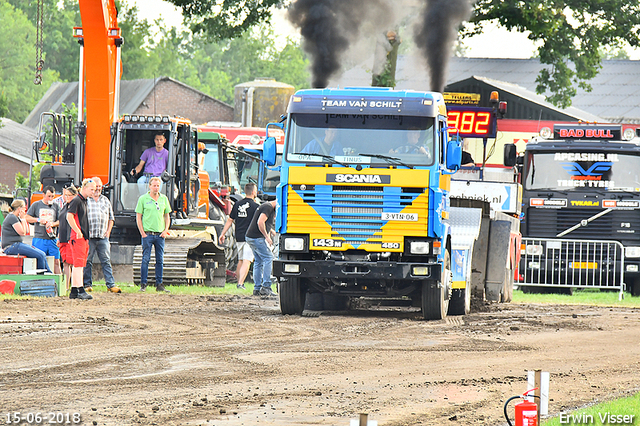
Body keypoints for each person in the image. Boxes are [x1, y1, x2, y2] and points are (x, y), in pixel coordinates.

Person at [83, 177, 121, 293]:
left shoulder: (105, 200)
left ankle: (110, 284)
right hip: (89, 237)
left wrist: (108, 232)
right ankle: (87, 284)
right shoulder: (86, 200)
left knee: (106, 261)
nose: (98, 189)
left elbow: (111, 218)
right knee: (87, 261)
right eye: (96, 187)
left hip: (102, 237)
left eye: (100, 186)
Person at [219, 182, 259, 290]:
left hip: (239, 236)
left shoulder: (237, 204)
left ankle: (239, 283)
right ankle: (240, 284)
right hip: (250, 237)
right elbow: (259, 223)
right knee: (247, 260)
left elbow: (230, 220)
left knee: (241, 260)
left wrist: (222, 234)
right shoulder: (256, 207)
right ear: (254, 192)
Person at [135, 176, 171, 293]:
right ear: (150, 186)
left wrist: (166, 230)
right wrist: (142, 233)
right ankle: (143, 284)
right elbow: (138, 216)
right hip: (148, 234)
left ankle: (159, 283)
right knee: (145, 259)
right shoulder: (143, 199)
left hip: (160, 234)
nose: (156, 188)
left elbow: (167, 215)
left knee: (160, 259)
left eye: (158, 186)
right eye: (154, 185)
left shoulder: (164, 199)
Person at [1, 199, 52, 273]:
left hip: (17, 245)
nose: (25, 210)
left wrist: (23, 219)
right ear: (19, 209)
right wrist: (23, 220)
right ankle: (43, 276)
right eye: (24, 208)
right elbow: (22, 232)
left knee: (42, 254)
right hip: (12, 246)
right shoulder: (12, 217)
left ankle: (49, 274)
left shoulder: (16, 218)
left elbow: (27, 230)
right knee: (40, 255)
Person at [67, 178, 96, 300]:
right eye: (91, 189)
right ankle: (80, 289)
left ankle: (74, 290)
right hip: (78, 236)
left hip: (82, 236)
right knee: (79, 264)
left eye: (94, 190)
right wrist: (78, 231)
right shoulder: (77, 200)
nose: (93, 192)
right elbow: (69, 216)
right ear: (84, 188)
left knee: (79, 264)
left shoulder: (83, 201)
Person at [25, 185, 62, 274]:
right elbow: (27, 217)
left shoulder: (56, 206)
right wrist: (38, 220)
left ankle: (59, 281)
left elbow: (61, 221)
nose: (50, 198)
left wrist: (52, 224)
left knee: (56, 261)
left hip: (52, 238)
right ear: (43, 195)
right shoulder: (36, 205)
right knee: (39, 260)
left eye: (52, 196)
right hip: (39, 238)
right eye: (48, 196)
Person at [245, 200, 277, 297]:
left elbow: (262, 222)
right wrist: (266, 237)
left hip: (250, 236)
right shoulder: (268, 207)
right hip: (256, 238)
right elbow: (260, 222)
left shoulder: (265, 206)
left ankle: (257, 288)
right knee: (268, 258)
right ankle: (266, 287)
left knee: (258, 261)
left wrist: (270, 230)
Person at [58, 185, 78, 292]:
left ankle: (75, 285)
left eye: (69, 195)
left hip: (71, 238)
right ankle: (66, 286)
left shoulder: (76, 207)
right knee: (65, 262)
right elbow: (61, 223)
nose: (67, 197)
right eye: (65, 195)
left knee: (72, 262)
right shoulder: (64, 207)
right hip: (63, 238)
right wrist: (58, 238)